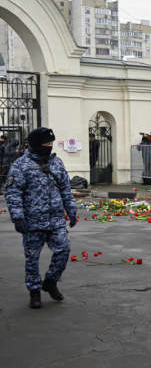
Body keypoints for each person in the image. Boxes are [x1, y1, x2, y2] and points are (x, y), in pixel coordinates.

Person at [5, 128, 77, 309]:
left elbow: (65, 189)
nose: (49, 147)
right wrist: (18, 217)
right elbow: (13, 193)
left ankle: (51, 281)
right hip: (32, 221)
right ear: (36, 144)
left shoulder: (57, 163)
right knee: (32, 259)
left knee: (64, 249)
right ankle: (34, 291)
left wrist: (72, 210)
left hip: (56, 220)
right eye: (46, 144)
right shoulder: (20, 165)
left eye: (51, 144)